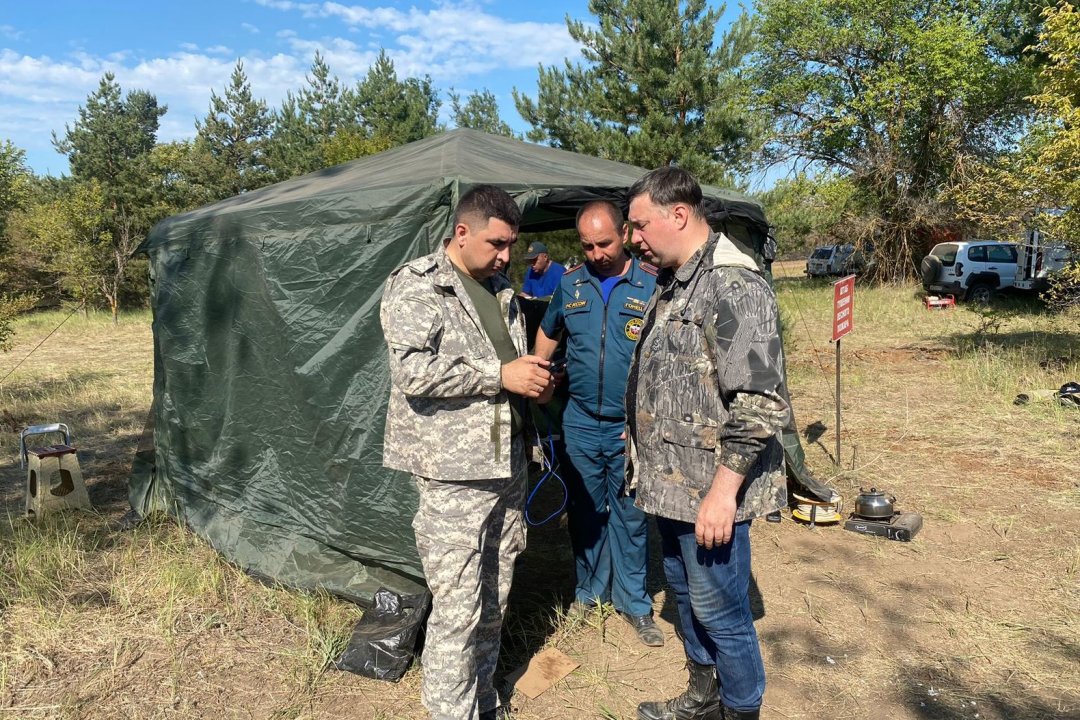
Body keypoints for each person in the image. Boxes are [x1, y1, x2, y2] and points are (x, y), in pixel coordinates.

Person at [380, 185, 555, 720]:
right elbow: (411, 372)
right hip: (453, 474)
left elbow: (512, 366)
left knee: (494, 598)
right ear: (462, 232)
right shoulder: (417, 286)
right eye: (497, 243)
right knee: (456, 608)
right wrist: (498, 375)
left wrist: (532, 386)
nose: (507, 256)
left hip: (505, 463)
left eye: (511, 245)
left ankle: (483, 701)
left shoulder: (501, 289)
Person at [624, 168, 789, 720]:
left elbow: (761, 403)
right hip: (671, 488)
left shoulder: (732, 282)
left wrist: (723, 493)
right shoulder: (677, 279)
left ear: (678, 214)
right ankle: (703, 695)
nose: (634, 238)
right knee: (687, 603)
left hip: (709, 493)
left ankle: (741, 710)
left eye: (640, 224)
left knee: (722, 614)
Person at [533, 200, 663, 647]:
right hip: (581, 423)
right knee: (587, 511)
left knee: (630, 514)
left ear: (624, 233)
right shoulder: (570, 286)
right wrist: (539, 370)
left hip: (630, 428)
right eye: (587, 245)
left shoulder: (651, 283)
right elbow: (549, 331)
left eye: (604, 243)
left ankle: (634, 603)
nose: (596, 253)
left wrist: (647, 418)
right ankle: (588, 593)